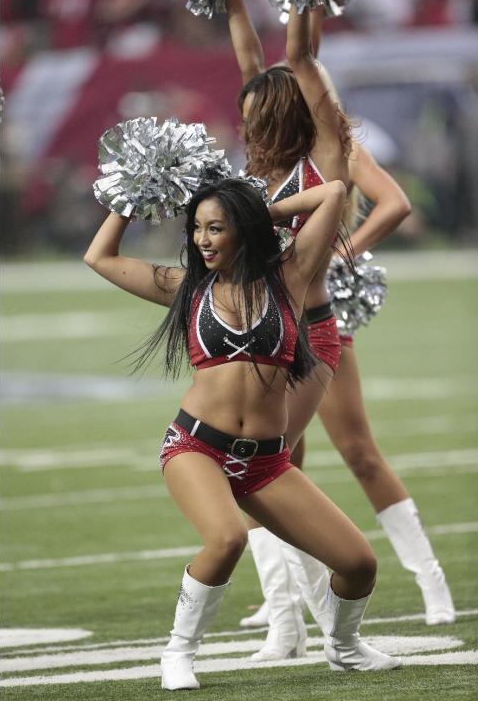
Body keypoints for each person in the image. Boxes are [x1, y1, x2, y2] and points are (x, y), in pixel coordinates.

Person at [84, 173, 403, 691]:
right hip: (196, 447)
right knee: (227, 539)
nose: (202, 240)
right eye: (197, 229)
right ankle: (178, 652)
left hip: (266, 463)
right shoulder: (187, 288)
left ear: (243, 231)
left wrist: (262, 214)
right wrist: (128, 197)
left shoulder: (291, 277)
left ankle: (344, 649)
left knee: (358, 564)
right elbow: (99, 256)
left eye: (216, 228)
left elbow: (335, 194)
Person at [220, 0, 455, 656]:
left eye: (254, 115)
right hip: (261, 330)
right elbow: (249, 54)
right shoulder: (255, 168)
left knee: (343, 452)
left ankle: (413, 588)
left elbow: (295, 56)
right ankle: (287, 608)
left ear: (283, 116)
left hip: (314, 328)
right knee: (265, 465)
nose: (242, 125)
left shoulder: (323, 157)